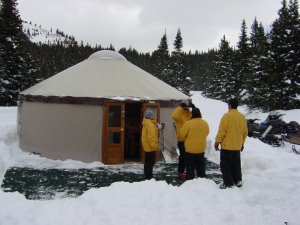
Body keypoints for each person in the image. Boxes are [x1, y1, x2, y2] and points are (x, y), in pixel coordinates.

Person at [214, 98, 248, 189]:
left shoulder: (226, 116)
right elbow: (245, 132)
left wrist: (217, 142)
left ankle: (228, 183)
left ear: (229, 105)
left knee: (225, 165)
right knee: (236, 165)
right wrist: (242, 143)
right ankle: (238, 181)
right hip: (237, 146)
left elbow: (222, 131)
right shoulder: (242, 117)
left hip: (227, 146)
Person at [179, 108, 209, 180]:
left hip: (190, 149)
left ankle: (190, 181)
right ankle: (202, 180)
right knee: (201, 167)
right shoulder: (205, 123)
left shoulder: (188, 123)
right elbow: (207, 132)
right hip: (201, 149)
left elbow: (182, 135)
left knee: (190, 167)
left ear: (192, 114)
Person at [171, 99, 194, 180]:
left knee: (190, 157)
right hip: (182, 139)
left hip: (190, 138)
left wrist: (194, 108)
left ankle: (189, 172)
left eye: (187, 105)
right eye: (185, 105)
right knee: (183, 156)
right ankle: (181, 172)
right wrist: (180, 107)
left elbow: (197, 117)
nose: (186, 107)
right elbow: (174, 116)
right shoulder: (179, 113)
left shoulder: (189, 113)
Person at [142, 109, 159, 180]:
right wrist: (154, 147)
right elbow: (151, 137)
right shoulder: (150, 124)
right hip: (150, 147)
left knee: (147, 162)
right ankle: (149, 177)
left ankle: (147, 175)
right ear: (150, 116)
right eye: (153, 115)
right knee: (150, 162)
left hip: (147, 146)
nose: (154, 116)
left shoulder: (147, 123)